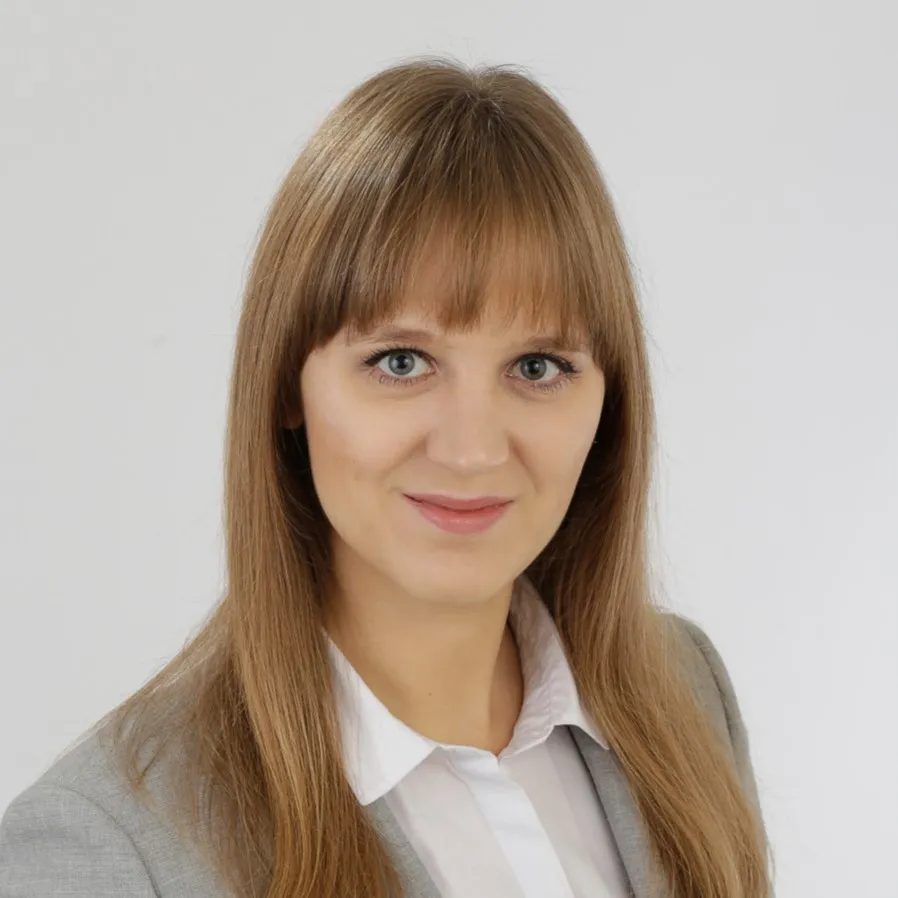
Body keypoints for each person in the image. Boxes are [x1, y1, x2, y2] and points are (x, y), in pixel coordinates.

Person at [0, 56, 775, 898]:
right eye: (401, 361)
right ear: (287, 387)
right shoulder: (103, 851)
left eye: (538, 366)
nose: (472, 450)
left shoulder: (686, 692)